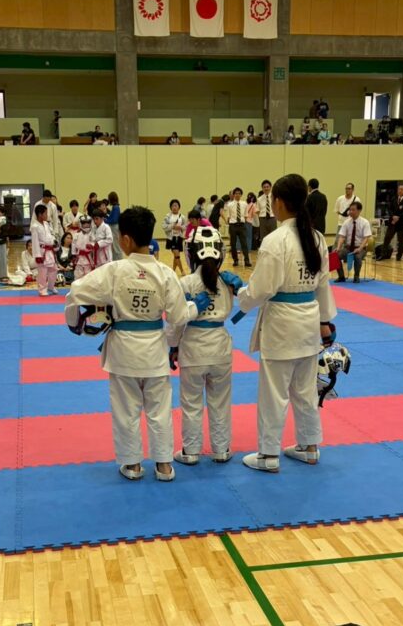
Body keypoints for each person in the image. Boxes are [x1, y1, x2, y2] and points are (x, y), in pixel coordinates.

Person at [64, 205, 209, 482]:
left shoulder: (114, 271)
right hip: (154, 350)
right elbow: (178, 317)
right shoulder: (165, 273)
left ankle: (132, 465)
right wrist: (194, 307)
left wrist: (76, 321)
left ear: (126, 239)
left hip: (123, 352)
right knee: (159, 411)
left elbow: (75, 291)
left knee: (126, 411)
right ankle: (164, 466)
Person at [236, 173, 336, 472]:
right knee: (305, 390)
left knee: (274, 393)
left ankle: (268, 455)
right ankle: (309, 447)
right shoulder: (317, 237)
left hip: (281, 324)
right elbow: (323, 284)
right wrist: (325, 321)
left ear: (278, 202)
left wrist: (240, 296)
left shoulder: (275, 240)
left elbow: (261, 289)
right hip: (308, 320)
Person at [168, 227, 242, 465]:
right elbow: (247, 304)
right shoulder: (227, 282)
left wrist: (173, 346)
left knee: (191, 403)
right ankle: (221, 449)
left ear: (191, 253)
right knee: (220, 402)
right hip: (220, 347)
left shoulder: (185, 283)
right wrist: (240, 288)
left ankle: (190, 452)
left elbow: (176, 321)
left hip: (193, 347)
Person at [335, 201, 372, 283]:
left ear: (359, 211)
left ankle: (356, 276)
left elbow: (366, 238)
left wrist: (360, 248)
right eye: (350, 210)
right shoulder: (346, 222)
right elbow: (342, 236)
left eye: (353, 210)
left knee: (357, 257)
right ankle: (341, 276)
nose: (350, 212)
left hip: (361, 248)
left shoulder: (365, 222)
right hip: (348, 248)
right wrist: (338, 247)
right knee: (336, 256)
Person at [29, 203, 57, 296]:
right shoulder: (34, 226)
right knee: (42, 271)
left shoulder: (46, 224)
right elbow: (35, 242)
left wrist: (54, 242)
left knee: (53, 269)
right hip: (41, 251)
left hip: (49, 250)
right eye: (45, 213)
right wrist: (37, 255)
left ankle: (51, 286)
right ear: (40, 214)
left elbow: (50, 235)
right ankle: (42, 289)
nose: (47, 215)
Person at [381, 183, 403, 260]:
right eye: (399, 189)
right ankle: (383, 254)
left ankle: (399, 256)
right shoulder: (394, 198)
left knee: (401, 241)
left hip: (401, 223)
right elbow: (389, 209)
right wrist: (393, 216)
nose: (400, 191)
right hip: (392, 222)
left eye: (402, 189)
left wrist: (398, 217)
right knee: (387, 238)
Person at [224, 187, 250, 268]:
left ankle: (247, 260)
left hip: (242, 225)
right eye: (236, 193)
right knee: (233, 244)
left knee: (244, 243)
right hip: (233, 225)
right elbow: (228, 216)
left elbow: (246, 215)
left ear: (241, 195)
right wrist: (229, 225)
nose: (237, 195)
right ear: (233, 195)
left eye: (239, 193)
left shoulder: (245, 204)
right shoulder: (229, 205)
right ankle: (235, 260)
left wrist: (244, 224)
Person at [162, 199, 186, 275]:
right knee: (177, 255)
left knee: (176, 256)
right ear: (170, 207)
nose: (174, 207)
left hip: (179, 238)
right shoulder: (168, 216)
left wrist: (181, 227)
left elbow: (185, 226)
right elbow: (164, 226)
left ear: (179, 207)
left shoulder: (182, 217)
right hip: (171, 238)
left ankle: (172, 271)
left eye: (176, 205)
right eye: (173, 206)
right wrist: (172, 226)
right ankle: (182, 271)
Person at [72, 213, 95, 279]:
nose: (86, 225)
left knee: (88, 276)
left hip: (88, 257)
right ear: (80, 224)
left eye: (88, 223)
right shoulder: (76, 234)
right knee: (78, 275)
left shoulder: (92, 234)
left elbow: (94, 243)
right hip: (79, 258)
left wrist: (91, 245)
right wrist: (73, 255)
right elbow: (73, 245)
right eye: (84, 223)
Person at [107, 190, 122, 260]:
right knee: (114, 246)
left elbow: (114, 220)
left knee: (116, 246)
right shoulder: (115, 207)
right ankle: (116, 259)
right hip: (113, 227)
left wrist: (105, 220)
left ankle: (119, 260)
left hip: (115, 227)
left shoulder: (116, 207)